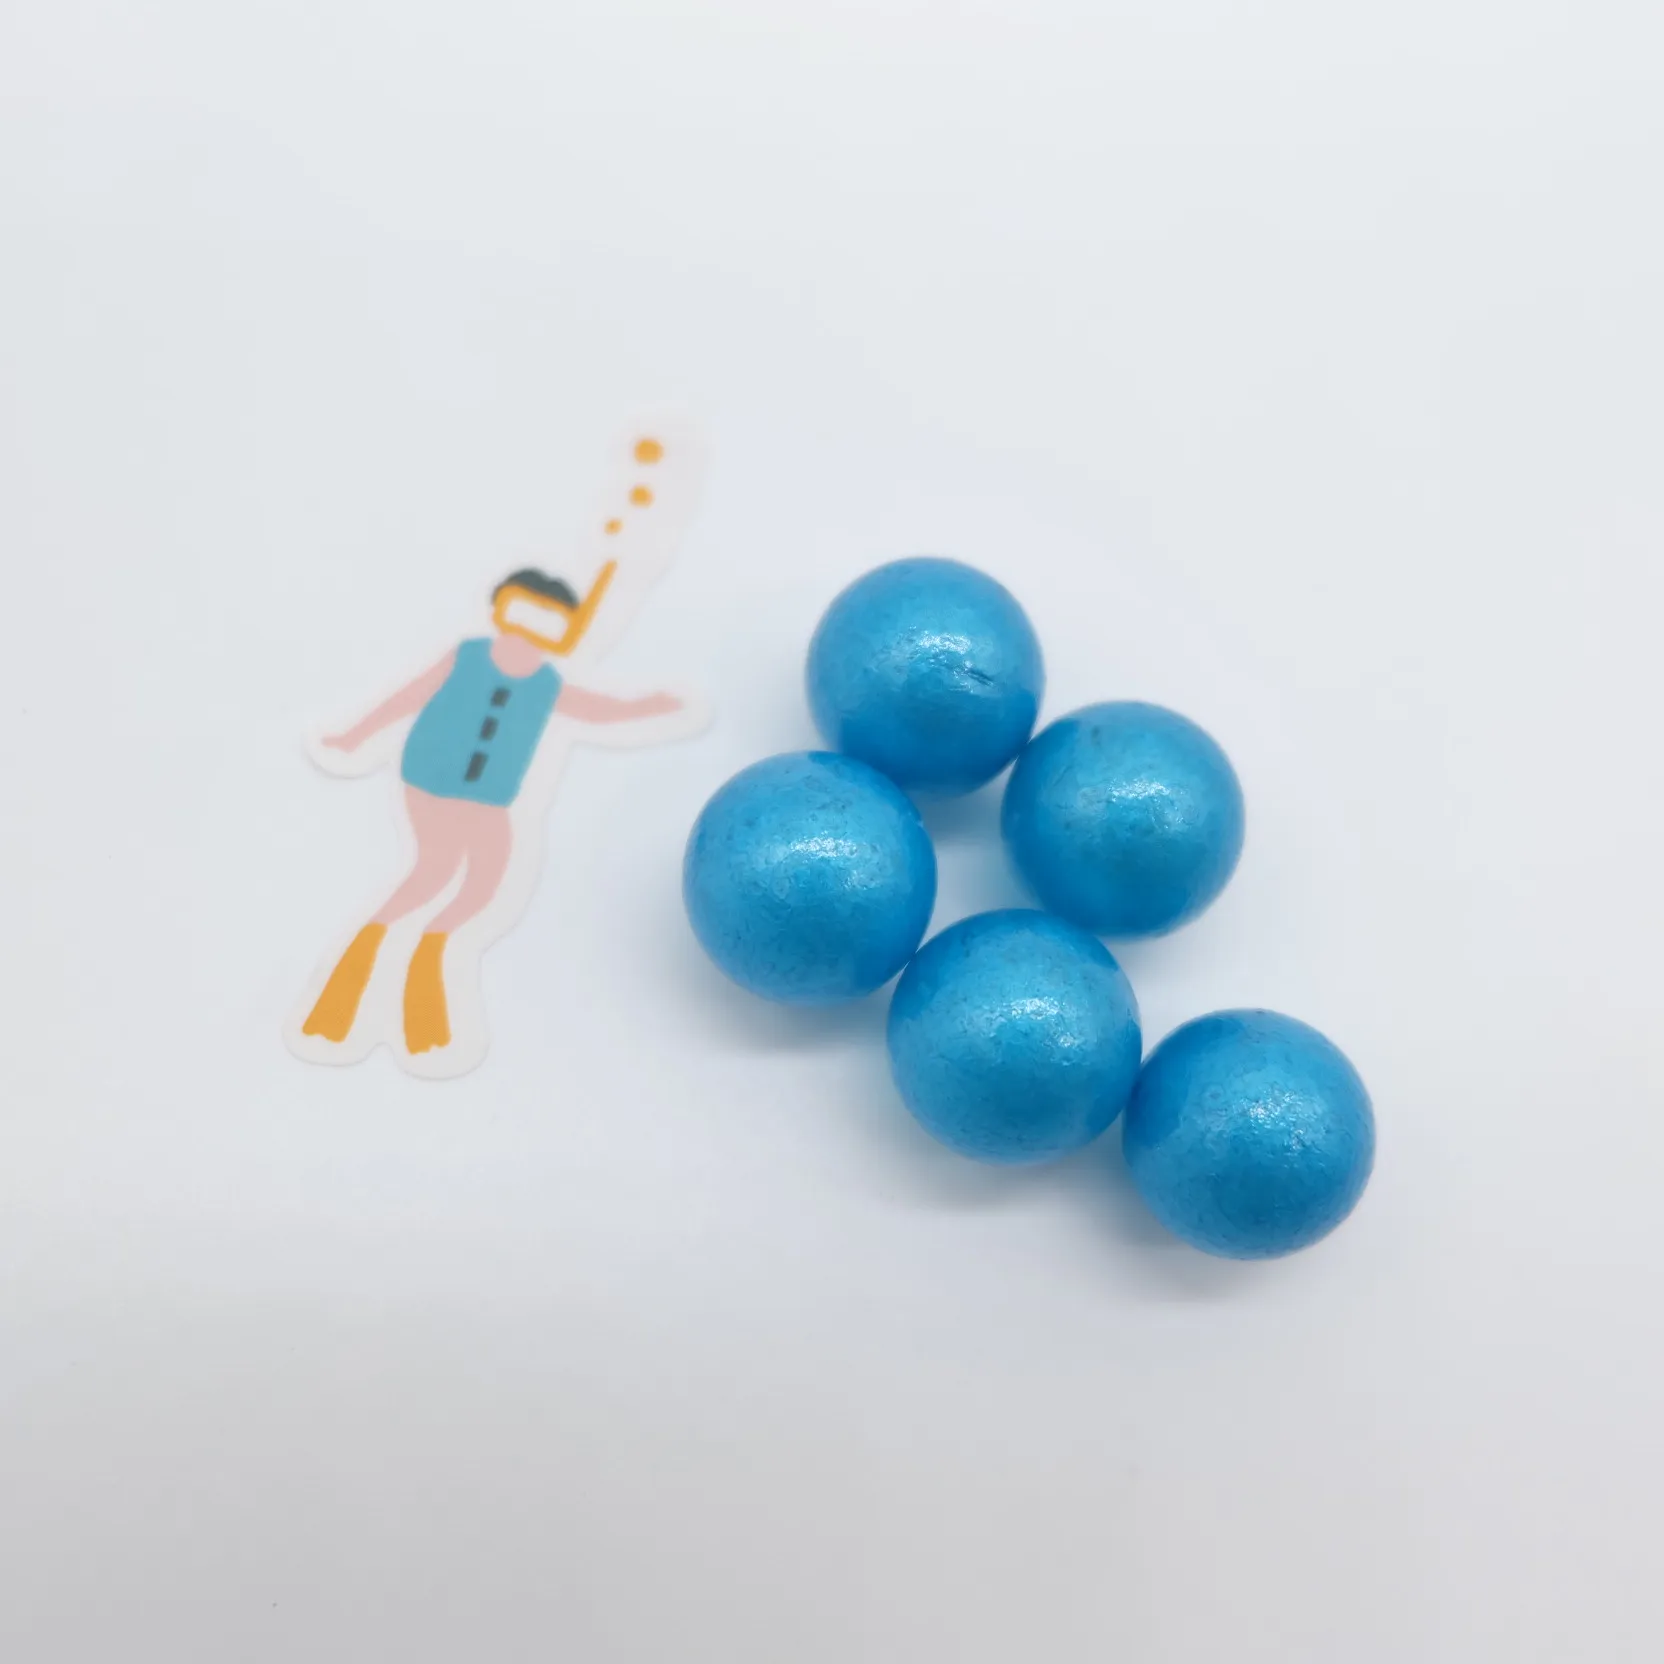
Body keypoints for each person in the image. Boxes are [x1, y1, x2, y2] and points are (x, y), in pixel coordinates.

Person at [300, 560, 680, 1056]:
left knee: (482, 888)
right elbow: (409, 697)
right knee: (432, 876)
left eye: (547, 621)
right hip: (432, 779)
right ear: (503, 608)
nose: (530, 631)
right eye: (523, 613)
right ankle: (347, 986)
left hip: (488, 797)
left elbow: (593, 709)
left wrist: (643, 708)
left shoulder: (546, 682)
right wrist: (355, 735)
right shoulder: (468, 656)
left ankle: (426, 976)